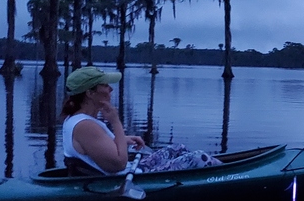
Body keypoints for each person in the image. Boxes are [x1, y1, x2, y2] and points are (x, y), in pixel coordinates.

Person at [61, 66, 221, 175]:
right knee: (198, 158)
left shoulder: (79, 119)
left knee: (177, 149)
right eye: (105, 85)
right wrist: (116, 122)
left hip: (132, 170)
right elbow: (119, 164)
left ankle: (223, 172)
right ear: (90, 93)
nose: (111, 89)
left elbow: (95, 146)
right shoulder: (85, 126)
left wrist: (122, 139)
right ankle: (229, 175)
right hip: (127, 176)